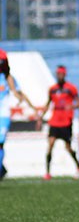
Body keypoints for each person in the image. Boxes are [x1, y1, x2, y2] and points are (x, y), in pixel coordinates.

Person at [38, 65, 79, 180]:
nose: (60, 76)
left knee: (68, 147)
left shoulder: (71, 88)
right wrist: (40, 117)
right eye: (58, 74)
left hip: (66, 122)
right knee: (50, 145)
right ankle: (47, 172)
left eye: (62, 74)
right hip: (54, 122)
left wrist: (72, 106)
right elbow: (48, 104)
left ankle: (78, 166)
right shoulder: (52, 89)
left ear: (65, 75)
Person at [0, 50, 37, 180]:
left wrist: (32, 108)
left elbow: (18, 93)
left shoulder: (7, 78)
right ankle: (2, 169)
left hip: (3, 115)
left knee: (0, 142)